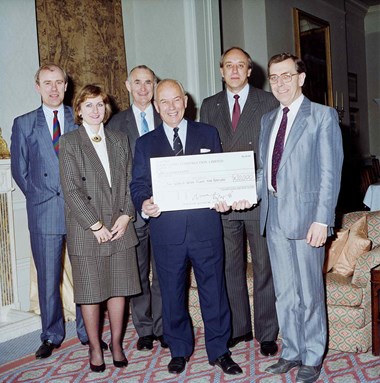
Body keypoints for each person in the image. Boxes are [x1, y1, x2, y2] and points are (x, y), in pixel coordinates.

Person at [130, 79, 243, 376]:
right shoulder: (145, 143)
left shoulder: (208, 133)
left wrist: (224, 199)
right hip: (167, 233)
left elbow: (219, 179)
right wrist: (144, 203)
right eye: (164, 102)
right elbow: (138, 185)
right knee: (171, 293)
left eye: (176, 100)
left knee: (215, 291)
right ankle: (179, 349)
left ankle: (219, 350)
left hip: (206, 230)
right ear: (156, 107)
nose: (171, 107)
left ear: (185, 101)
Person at [258, 53, 343, 383]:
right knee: (286, 292)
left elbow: (329, 173)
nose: (280, 83)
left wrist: (323, 219)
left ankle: (312, 354)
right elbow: (266, 172)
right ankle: (291, 350)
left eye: (286, 76)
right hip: (274, 214)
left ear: (301, 78)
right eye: (274, 77)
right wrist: (243, 194)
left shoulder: (322, 116)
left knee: (309, 292)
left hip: (308, 219)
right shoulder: (268, 119)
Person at [200, 47, 279, 355]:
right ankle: (239, 328)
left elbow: (273, 154)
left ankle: (267, 332)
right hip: (223, 204)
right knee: (229, 267)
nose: (234, 70)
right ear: (221, 71)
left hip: (257, 201)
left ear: (250, 71)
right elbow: (205, 153)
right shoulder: (209, 105)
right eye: (228, 65)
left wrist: (256, 190)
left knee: (263, 267)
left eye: (240, 65)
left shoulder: (268, 101)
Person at [59, 84, 141, 372]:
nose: (96, 110)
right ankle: (95, 347)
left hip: (119, 226)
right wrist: (95, 225)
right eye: (89, 105)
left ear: (107, 109)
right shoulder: (70, 142)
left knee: (120, 289)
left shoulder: (120, 140)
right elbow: (71, 190)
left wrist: (126, 216)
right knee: (91, 292)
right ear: (79, 110)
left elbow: (132, 182)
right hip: (87, 231)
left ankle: (116, 343)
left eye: (100, 104)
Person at [10, 63, 89, 359]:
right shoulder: (24, 123)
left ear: (66, 86)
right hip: (44, 211)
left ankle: (87, 331)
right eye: (47, 83)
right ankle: (51, 334)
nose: (54, 88)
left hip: (81, 210)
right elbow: (20, 171)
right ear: (38, 87)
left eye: (59, 83)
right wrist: (41, 197)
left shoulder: (79, 119)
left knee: (84, 275)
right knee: (47, 276)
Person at [107, 65, 167, 351]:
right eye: (137, 83)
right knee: (139, 271)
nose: (144, 88)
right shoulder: (115, 124)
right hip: (134, 210)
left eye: (149, 82)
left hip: (168, 207)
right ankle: (144, 328)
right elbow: (114, 173)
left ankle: (163, 325)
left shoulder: (168, 113)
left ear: (155, 85)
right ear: (128, 86)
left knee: (166, 270)